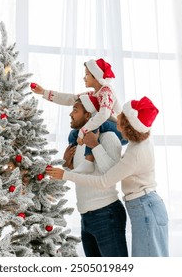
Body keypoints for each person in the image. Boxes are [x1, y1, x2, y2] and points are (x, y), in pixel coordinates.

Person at [47, 96, 169, 257]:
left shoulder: (122, 147)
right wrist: (68, 165)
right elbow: (85, 171)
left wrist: (67, 174)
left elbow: (106, 178)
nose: (116, 118)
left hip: (118, 211)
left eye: (75, 110)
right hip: (89, 215)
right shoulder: (135, 136)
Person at [31, 58, 127, 173]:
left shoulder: (106, 91)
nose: (84, 77)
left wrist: (84, 130)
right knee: (73, 134)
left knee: (94, 122)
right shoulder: (92, 94)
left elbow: (104, 114)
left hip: (120, 130)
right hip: (104, 124)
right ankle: (71, 162)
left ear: (96, 76)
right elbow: (71, 98)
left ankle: (88, 160)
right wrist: (44, 92)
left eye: (86, 74)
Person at [59, 99, 128, 257]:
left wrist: (95, 145)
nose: (70, 114)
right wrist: (67, 165)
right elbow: (82, 174)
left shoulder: (109, 136)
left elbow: (110, 174)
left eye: (75, 110)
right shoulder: (78, 140)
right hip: (86, 216)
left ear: (88, 115)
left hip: (106, 214)